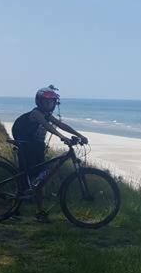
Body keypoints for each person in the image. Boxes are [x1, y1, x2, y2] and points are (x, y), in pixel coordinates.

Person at [10, 85, 88, 222]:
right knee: (27, 177)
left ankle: (39, 212)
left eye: (51, 102)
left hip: (37, 148)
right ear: (39, 102)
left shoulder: (47, 115)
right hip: (27, 147)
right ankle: (15, 209)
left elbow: (61, 125)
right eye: (45, 101)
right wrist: (61, 137)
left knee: (40, 180)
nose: (48, 104)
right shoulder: (36, 114)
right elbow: (48, 126)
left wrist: (79, 135)